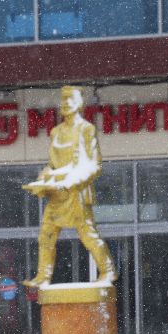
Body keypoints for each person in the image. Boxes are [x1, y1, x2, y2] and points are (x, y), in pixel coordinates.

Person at [20, 86, 116, 288]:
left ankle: (108, 270)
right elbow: (53, 165)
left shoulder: (86, 129)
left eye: (70, 99)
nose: (65, 103)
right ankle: (43, 276)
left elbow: (94, 165)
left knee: (88, 235)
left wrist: (73, 182)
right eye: (63, 100)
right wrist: (44, 179)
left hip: (76, 193)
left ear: (79, 103)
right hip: (57, 194)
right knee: (46, 235)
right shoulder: (56, 132)